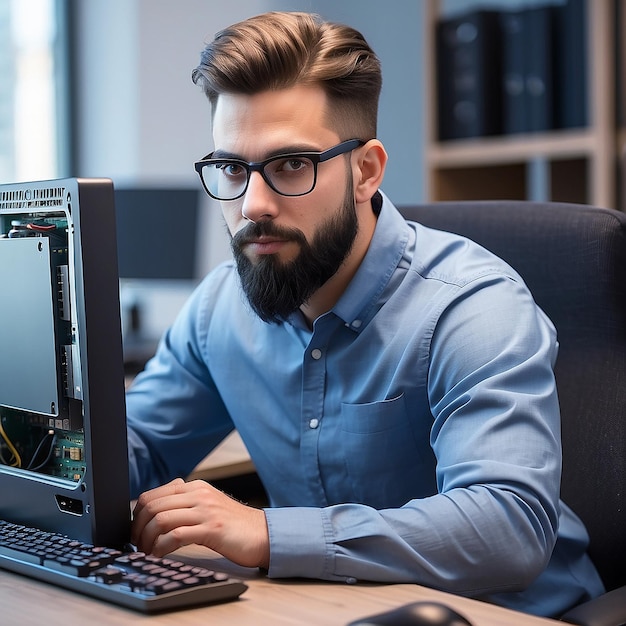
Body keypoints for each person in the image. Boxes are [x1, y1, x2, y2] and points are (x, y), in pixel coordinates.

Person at [127, 11, 604, 618]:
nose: (254, 205)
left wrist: (270, 535)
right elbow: (138, 445)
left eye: (290, 165)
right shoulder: (220, 308)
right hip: (326, 609)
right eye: (231, 169)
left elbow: (507, 526)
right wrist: (46, 452)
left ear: (366, 171)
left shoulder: (471, 307)